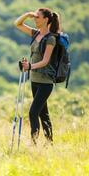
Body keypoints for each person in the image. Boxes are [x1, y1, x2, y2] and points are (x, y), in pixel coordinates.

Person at [14, 8, 61, 145]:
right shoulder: (35, 34)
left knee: (33, 112)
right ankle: (49, 142)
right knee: (43, 113)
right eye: (34, 17)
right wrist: (27, 14)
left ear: (46, 20)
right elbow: (17, 24)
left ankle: (34, 144)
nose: (35, 19)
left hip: (45, 82)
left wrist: (29, 67)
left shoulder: (51, 38)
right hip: (34, 80)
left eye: (37, 17)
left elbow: (45, 61)